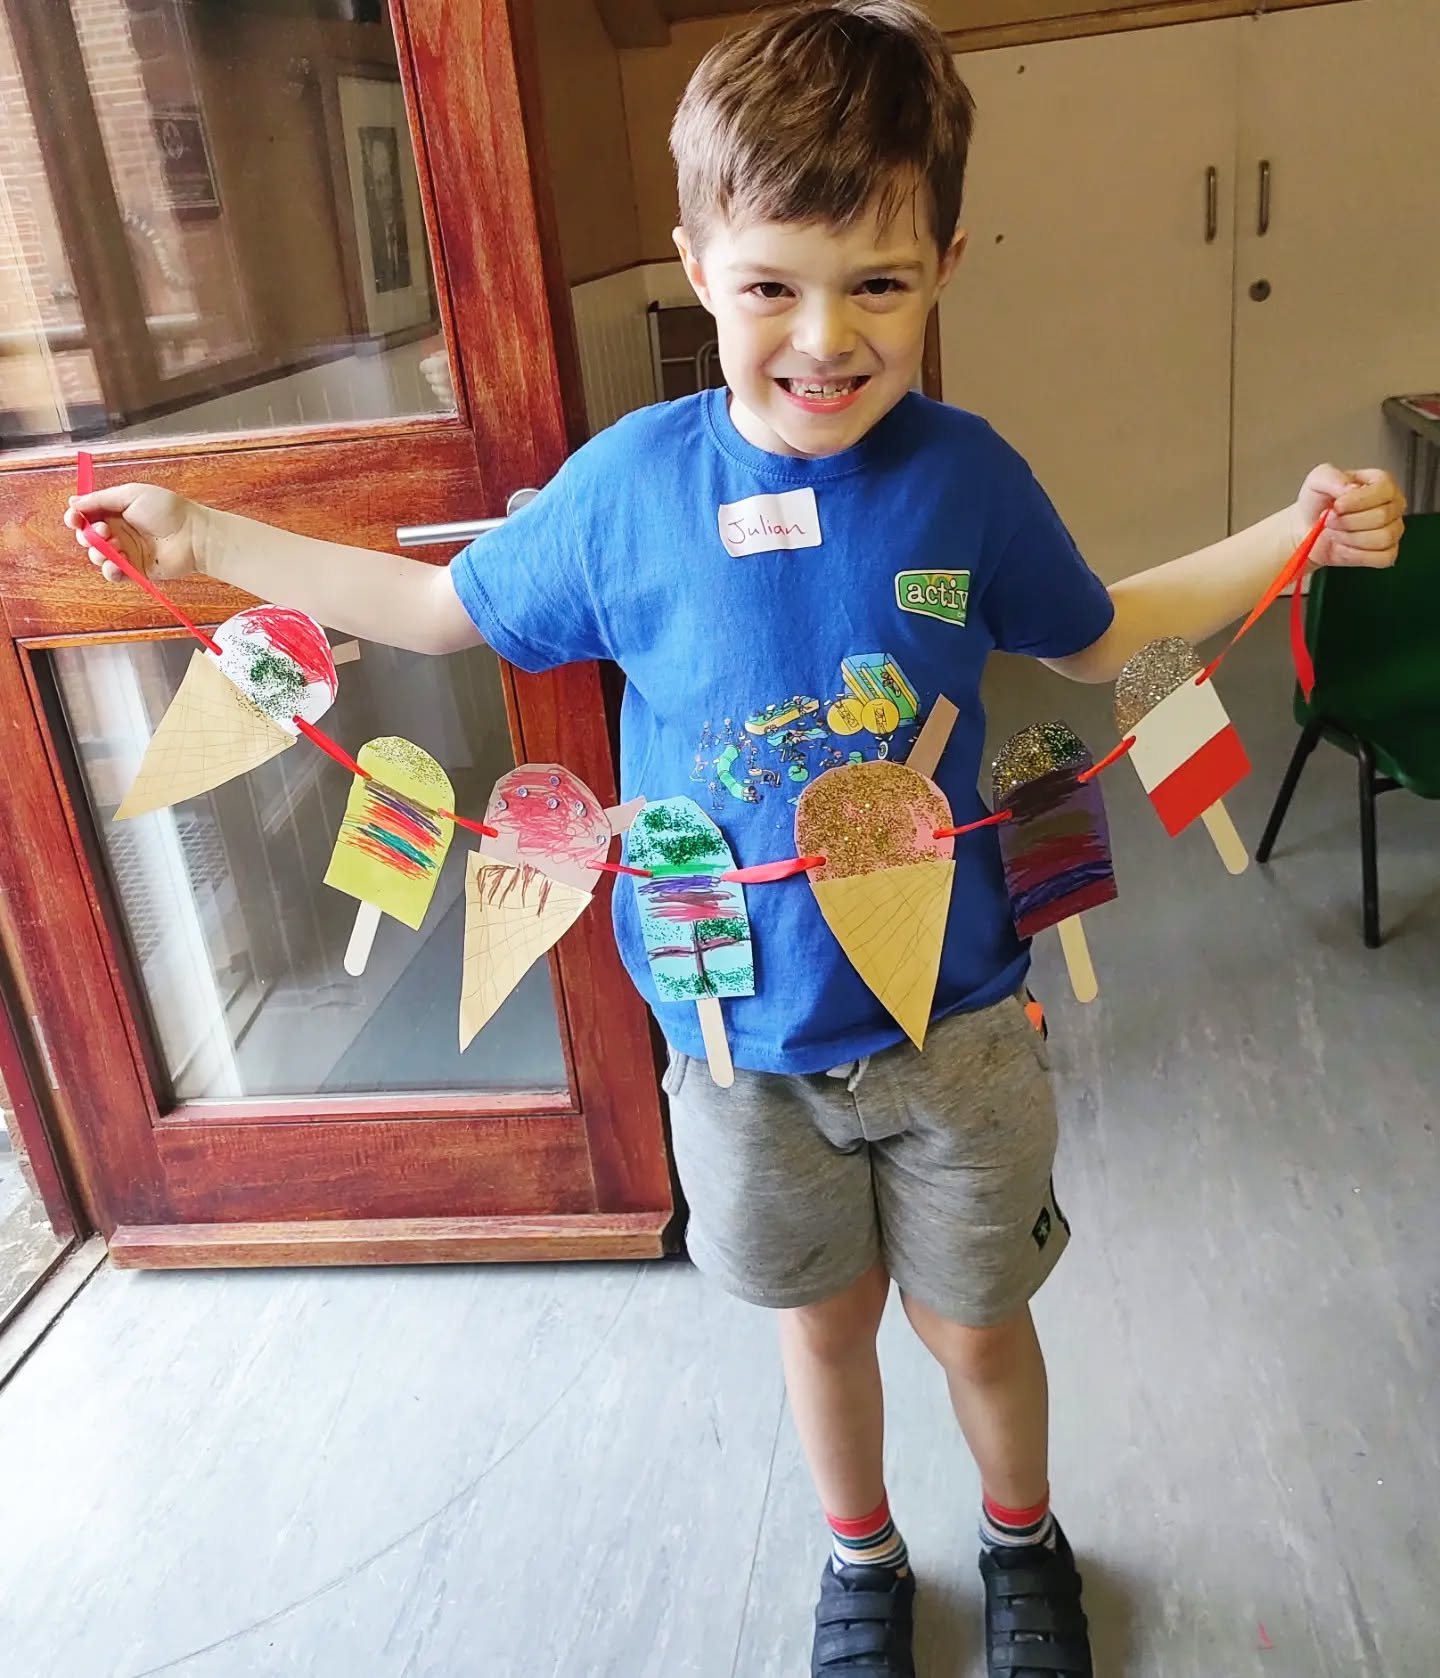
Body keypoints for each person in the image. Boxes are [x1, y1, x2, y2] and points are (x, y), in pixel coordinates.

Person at [67, 4, 1405, 1672]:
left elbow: (1101, 633)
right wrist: (206, 535)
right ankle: (862, 1560)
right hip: (733, 1042)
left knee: (978, 1328)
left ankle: (1022, 1536)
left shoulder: (968, 479)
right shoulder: (626, 487)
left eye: (879, 283)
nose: (825, 338)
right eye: (772, 284)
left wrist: (1292, 532)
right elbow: (434, 608)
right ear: (696, 262)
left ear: (947, 264)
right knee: (823, 1327)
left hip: (962, 1022)